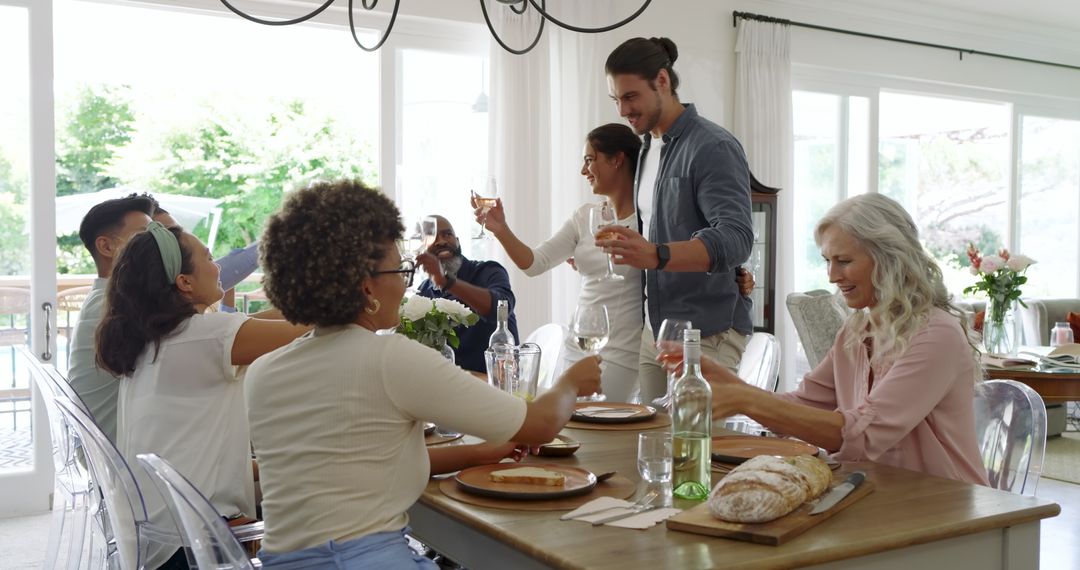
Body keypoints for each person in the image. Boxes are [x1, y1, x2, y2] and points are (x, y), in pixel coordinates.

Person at [245, 180, 602, 568]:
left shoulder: (264, 371)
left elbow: (365, 465)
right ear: (367, 288)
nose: (406, 282)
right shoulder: (388, 357)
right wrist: (571, 381)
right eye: (401, 268)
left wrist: (486, 451)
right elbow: (540, 424)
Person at [667, 194, 989, 486]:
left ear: (890, 258)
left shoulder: (936, 334)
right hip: (880, 493)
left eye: (844, 261)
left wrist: (744, 400)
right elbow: (800, 407)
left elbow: (863, 435)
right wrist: (730, 384)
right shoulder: (855, 331)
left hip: (946, 507)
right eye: (827, 261)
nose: (832, 276)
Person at [96, 222, 310, 569]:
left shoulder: (160, 336)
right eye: (209, 258)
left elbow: (265, 322)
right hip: (194, 548)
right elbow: (306, 331)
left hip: (157, 539)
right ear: (185, 282)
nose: (219, 266)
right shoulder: (204, 336)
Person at [599, 37, 755, 404]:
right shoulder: (648, 148)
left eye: (631, 97)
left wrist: (657, 254)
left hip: (707, 331)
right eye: (616, 100)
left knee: (693, 450)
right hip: (656, 328)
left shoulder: (713, 147)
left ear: (663, 82)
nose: (623, 110)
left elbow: (736, 238)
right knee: (652, 443)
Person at [68, 194, 262, 443]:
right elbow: (217, 328)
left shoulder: (118, 304)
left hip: (124, 450)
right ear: (106, 247)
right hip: (125, 457)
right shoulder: (116, 307)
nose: (164, 245)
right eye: (147, 234)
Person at [480, 124, 643, 401]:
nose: (583, 170)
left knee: (603, 426)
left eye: (590, 160)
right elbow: (534, 263)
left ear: (617, 160)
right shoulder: (584, 216)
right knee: (569, 426)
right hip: (578, 342)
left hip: (621, 349)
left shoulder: (647, 221)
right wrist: (500, 228)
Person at [414, 216, 518, 373]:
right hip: (448, 384)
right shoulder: (424, 290)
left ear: (458, 242)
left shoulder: (489, 271)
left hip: (494, 384)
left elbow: (500, 310)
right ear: (422, 250)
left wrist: (447, 282)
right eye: (433, 237)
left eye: (447, 234)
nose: (441, 241)